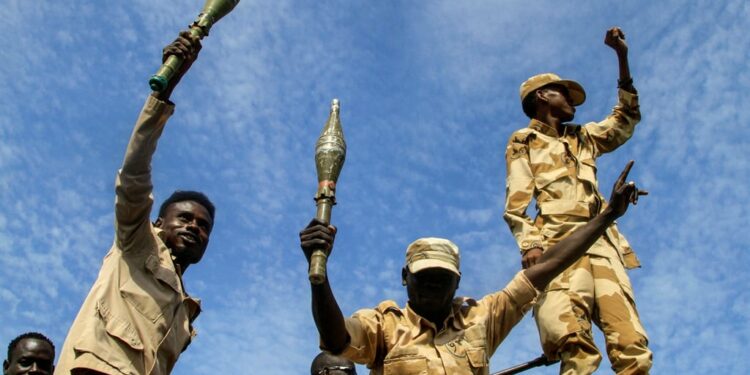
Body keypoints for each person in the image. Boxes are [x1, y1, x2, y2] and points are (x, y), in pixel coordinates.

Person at [301, 160, 646, 374]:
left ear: (457, 282)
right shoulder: (383, 327)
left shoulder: (482, 318)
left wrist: (605, 218)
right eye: (425, 277)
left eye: (443, 279)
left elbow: (551, 264)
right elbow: (336, 340)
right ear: (406, 278)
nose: (434, 287)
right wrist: (319, 277)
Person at [56, 31, 215, 375]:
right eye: (185, 218)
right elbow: (134, 175)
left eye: (203, 227)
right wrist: (162, 95)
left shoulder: (186, 313)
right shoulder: (137, 243)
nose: (194, 227)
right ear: (157, 224)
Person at [503, 27, 651, 374]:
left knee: (631, 345)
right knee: (570, 340)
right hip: (558, 246)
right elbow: (517, 202)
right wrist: (529, 245)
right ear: (542, 96)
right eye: (563, 93)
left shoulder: (582, 138)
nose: (572, 100)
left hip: (603, 246)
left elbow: (624, 120)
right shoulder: (525, 140)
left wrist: (622, 57)